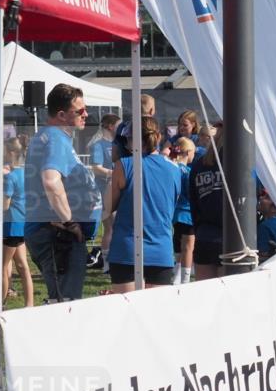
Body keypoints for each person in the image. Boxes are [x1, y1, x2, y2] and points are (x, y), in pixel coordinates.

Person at [25, 84, 100, 302]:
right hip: (57, 236)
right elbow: (50, 181)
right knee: (64, 305)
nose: (86, 114)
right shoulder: (56, 138)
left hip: (54, 234)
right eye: (79, 111)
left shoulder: (53, 137)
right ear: (61, 115)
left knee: (63, 302)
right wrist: (69, 222)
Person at [106, 117, 181, 292]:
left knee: (126, 314)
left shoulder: (124, 165)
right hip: (161, 249)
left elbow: (108, 206)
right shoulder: (174, 169)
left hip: (126, 249)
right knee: (156, 315)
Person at [189, 123, 226, 281]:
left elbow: (193, 201)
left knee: (205, 299)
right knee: (230, 299)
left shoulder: (200, 164)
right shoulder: (240, 163)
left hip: (204, 236)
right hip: (231, 239)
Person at [1, 136, 33, 307]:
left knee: (3, 266)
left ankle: (0, 304)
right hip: (23, 224)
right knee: (22, 265)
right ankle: (29, 303)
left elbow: (4, 205)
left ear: (12, 153)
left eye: (5, 151)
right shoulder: (28, 173)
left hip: (11, 224)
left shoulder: (10, 177)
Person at [89, 113, 119, 271]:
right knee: (110, 227)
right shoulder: (98, 145)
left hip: (119, 189)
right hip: (105, 190)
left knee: (119, 226)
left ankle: (115, 261)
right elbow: (96, 168)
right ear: (110, 126)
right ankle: (107, 264)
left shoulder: (119, 144)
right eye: (118, 125)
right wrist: (113, 173)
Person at [170, 137, 197, 284]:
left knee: (178, 247)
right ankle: (185, 280)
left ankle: (176, 276)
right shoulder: (187, 172)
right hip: (187, 214)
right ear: (187, 152)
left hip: (174, 214)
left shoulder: (171, 168)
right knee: (188, 247)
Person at [113, 94, 156, 161]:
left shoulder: (122, 127)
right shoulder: (154, 127)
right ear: (152, 111)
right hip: (149, 166)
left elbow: (114, 155)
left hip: (126, 167)